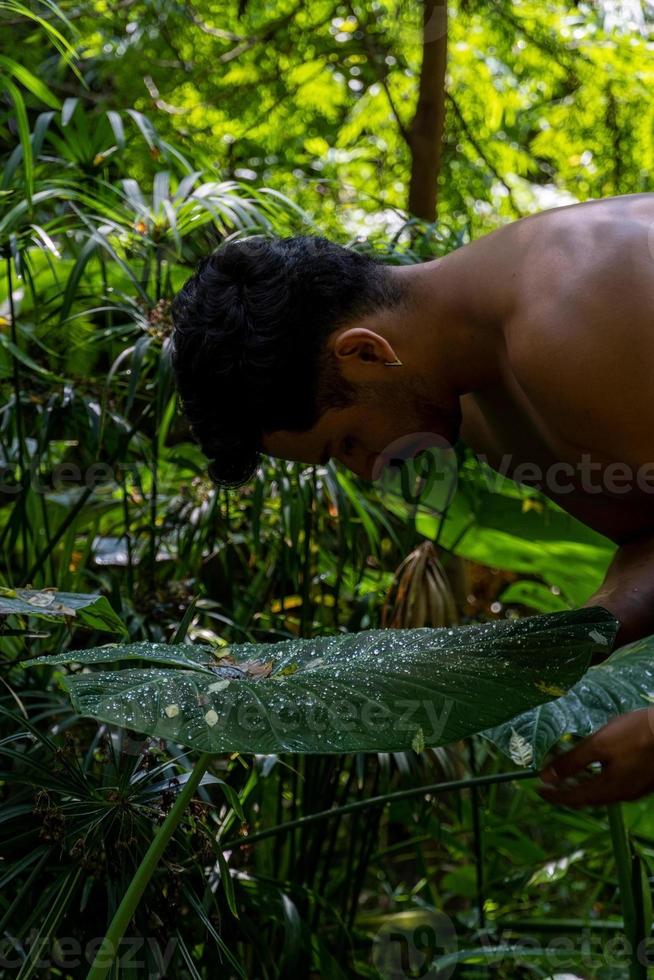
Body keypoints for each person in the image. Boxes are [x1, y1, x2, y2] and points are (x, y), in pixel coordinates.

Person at [171, 192, 654, 808]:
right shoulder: (481, 408)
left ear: (366, 352)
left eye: (346, 442)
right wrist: (587, 633)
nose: (370, 470)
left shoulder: (569, 308)